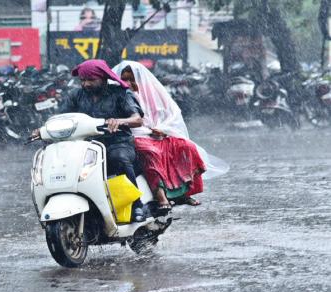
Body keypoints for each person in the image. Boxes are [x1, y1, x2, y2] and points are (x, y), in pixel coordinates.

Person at [113, 61, 229, 211]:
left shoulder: (151, 91)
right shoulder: (117, 95)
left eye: (131, 79)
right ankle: (160, 195)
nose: (128, 83)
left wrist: (163, 129)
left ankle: (184, 193)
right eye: (124, 79)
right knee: (151, 152)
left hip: (157, 134)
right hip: (136, 136)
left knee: (186, 147)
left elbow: (172, 113)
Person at [59, 59, 145, 222]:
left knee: (119, 158)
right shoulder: (75, 95)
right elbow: (61, 117)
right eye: (83, 80)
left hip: (118, 143)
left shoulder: (121, 93)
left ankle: (136, 204)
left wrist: (120, 121)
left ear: (103, 78)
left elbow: (137, 119)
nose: (86, 84)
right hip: (85, 146)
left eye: (91, 80)